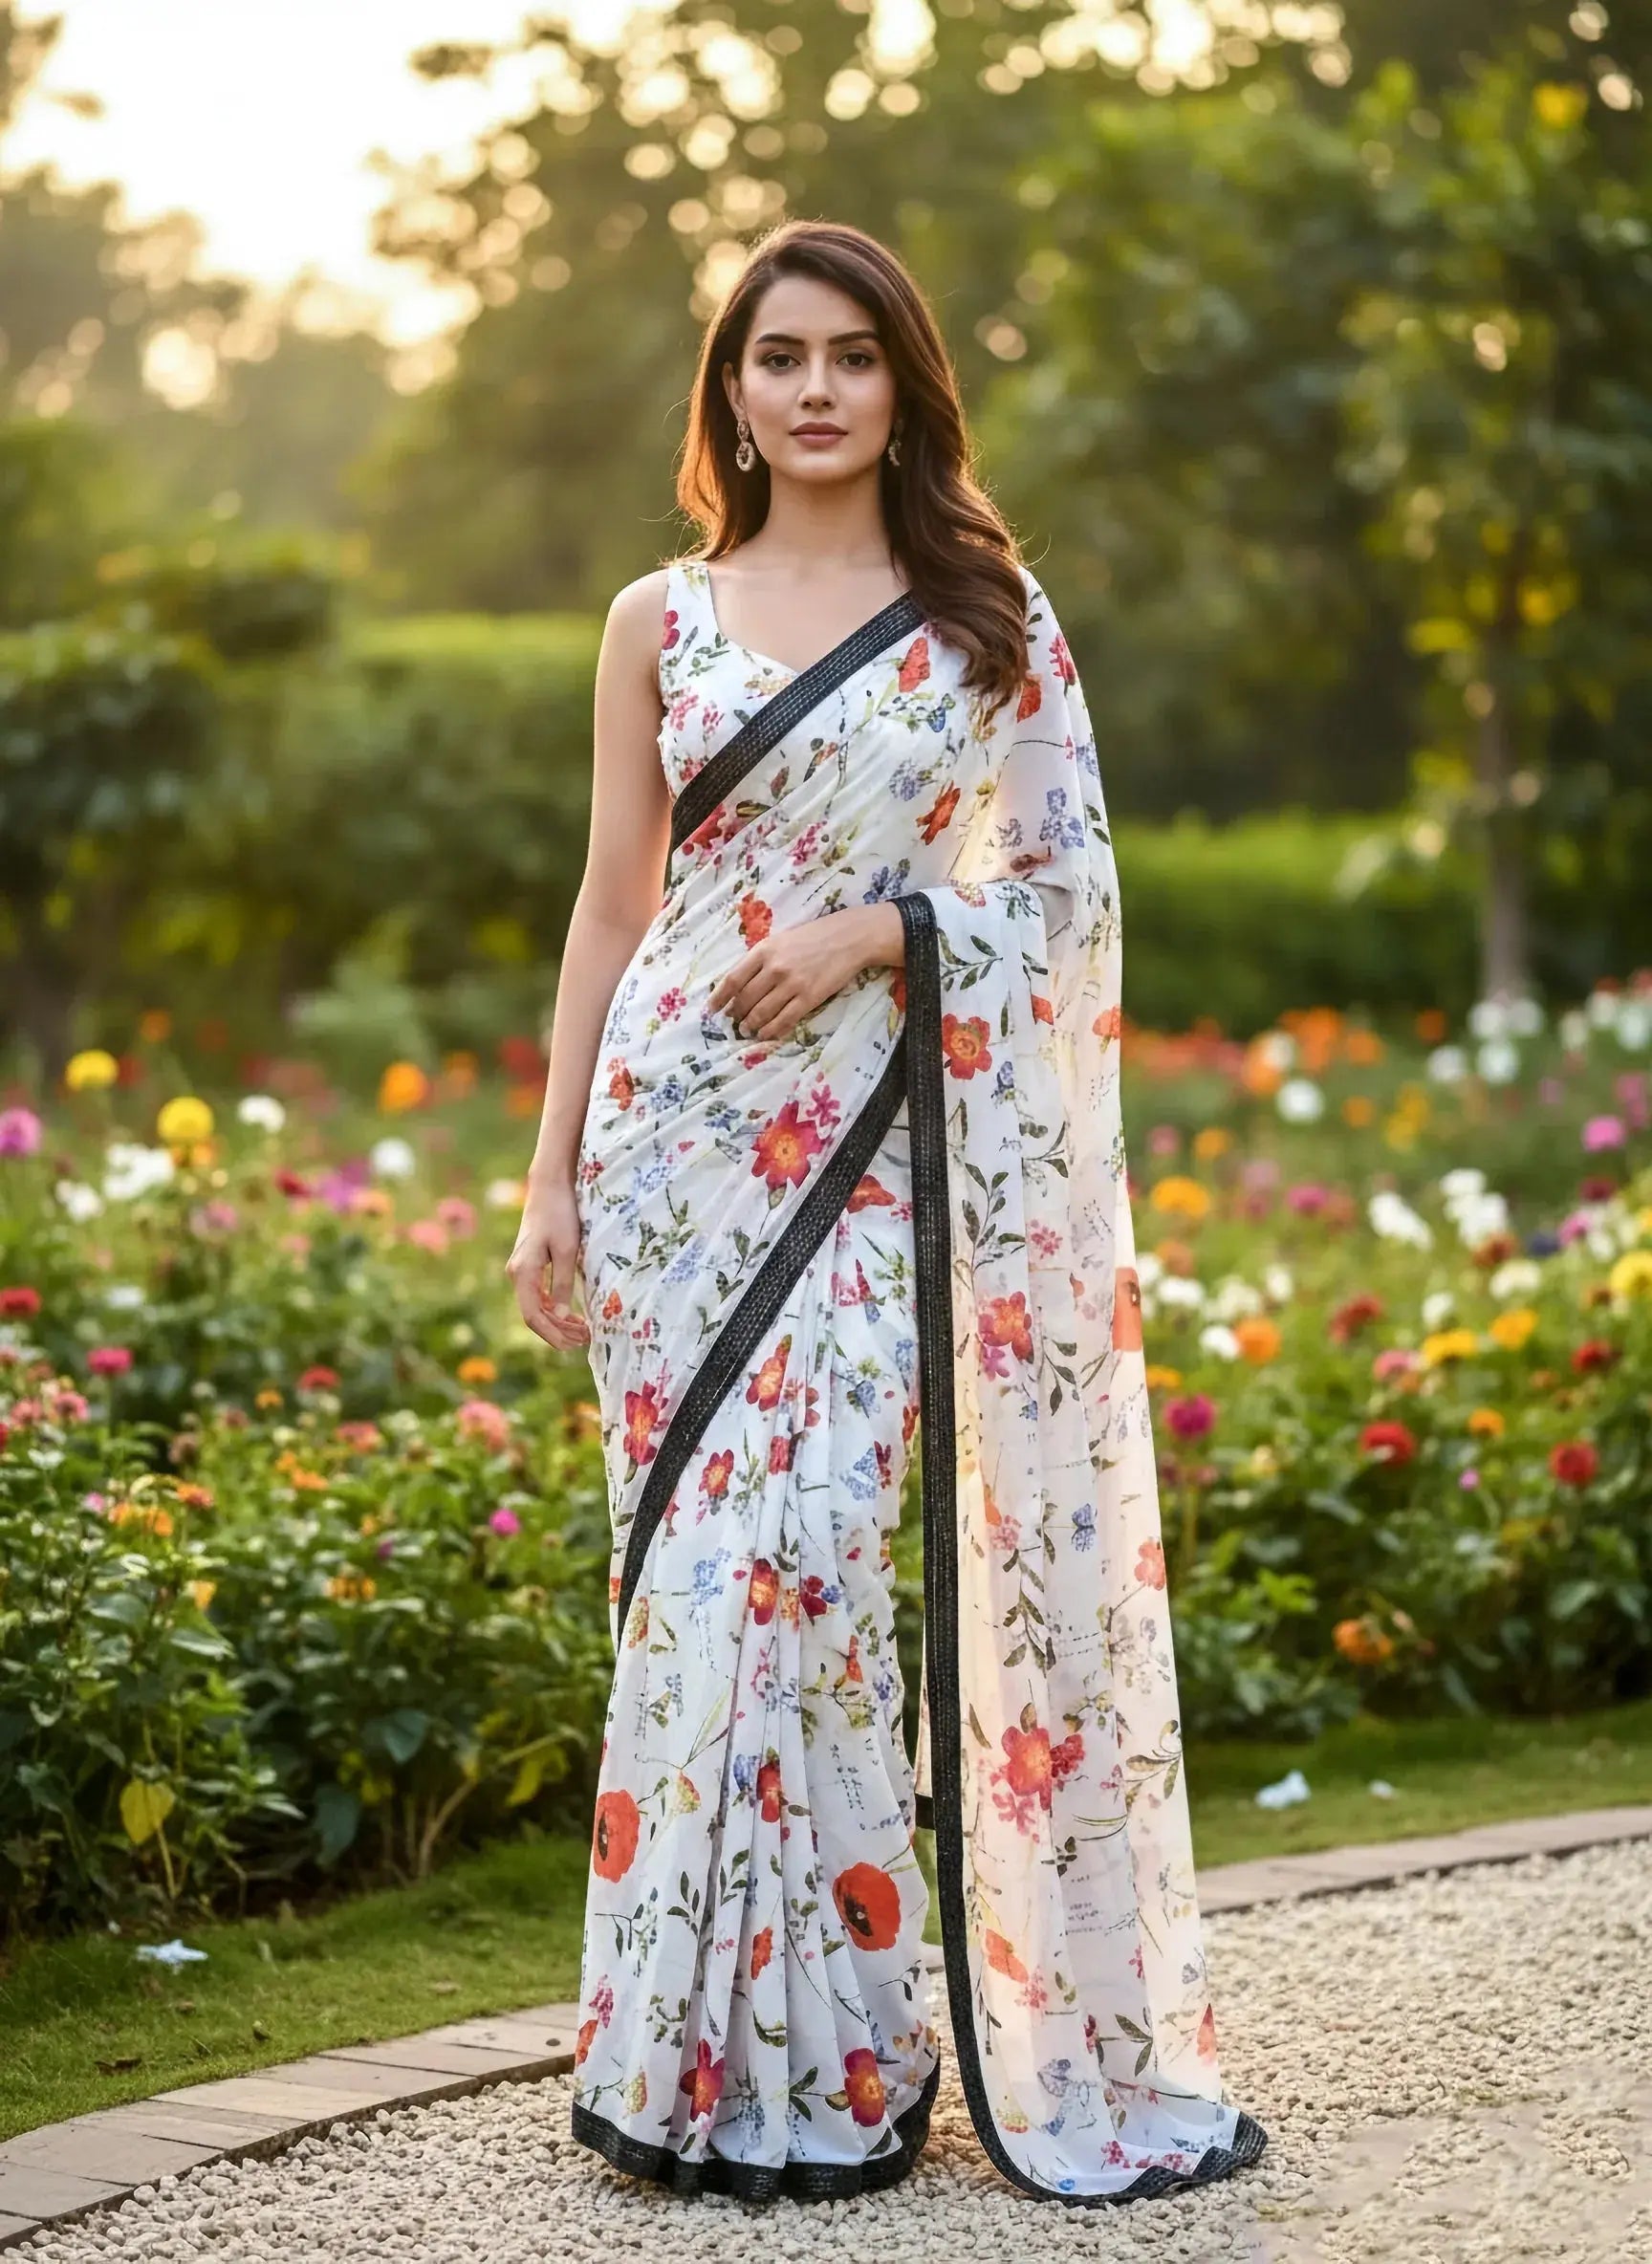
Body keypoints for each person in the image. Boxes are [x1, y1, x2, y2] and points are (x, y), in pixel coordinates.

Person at [506, 217, 1268, 2207]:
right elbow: (610, 901)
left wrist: (878, 929)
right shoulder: (652, 620)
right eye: (779, 356)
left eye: (852, 353)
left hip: (868, 1153)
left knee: (819, 1564)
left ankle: (839, 2061)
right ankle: (682, 2063)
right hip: (674, 1150)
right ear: (731, 392)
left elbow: (1072, 893)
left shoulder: (985, 618)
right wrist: (548, 1174)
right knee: (694, 1590)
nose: (817, 387)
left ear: (903, 382)